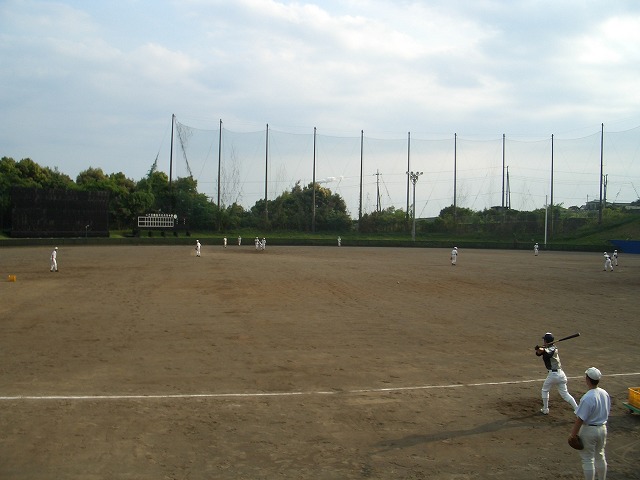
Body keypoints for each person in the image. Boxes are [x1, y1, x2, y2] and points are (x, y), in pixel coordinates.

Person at [569, 367, 610, 480]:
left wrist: (573, 434)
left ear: (588, 379)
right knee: (600, 456)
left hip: (589, 431)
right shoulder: (604, 393)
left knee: (587, 459)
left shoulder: (587, 397)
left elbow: (580, 419)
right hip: (602, 428)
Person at [534, 332, 579, 415]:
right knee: (565, 394)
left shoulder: (553, 349)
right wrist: (538, 349)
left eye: (544, 340)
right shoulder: (548, 347)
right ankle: (577, 409)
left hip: (554, 375)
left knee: (545, 390)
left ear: (546, 341)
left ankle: (545, 409)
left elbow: (545, 352)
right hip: (561, 374)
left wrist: (540, 348)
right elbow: (539, 353)